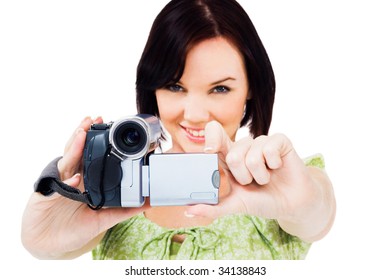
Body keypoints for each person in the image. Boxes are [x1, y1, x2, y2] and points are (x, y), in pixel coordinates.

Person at [22, 0, 336, 260]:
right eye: (175, 86)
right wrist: (47, 229)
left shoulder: (285, 178)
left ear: (251, 88)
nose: (195, 114)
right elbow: (49, 243)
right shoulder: (114, 194)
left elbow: (316, 212)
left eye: (220, 89)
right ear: (153, 88)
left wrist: (303, 201)